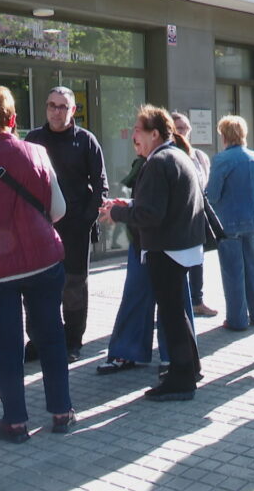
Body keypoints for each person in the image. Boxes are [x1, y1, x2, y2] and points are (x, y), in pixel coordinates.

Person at [0, 84, 75, 442]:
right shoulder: (38, 152)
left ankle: (16, 421)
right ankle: (62, 411)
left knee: (6, 344)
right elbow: (59, 210)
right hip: (43, 259)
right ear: (13, 119)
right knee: (52, 335)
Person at [99, 105, 205, 401]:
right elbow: (159, 205)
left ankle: (182, 379)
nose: (133, 135)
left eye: (138, 129)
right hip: (178, 247)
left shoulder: (159, 161)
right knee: (176, 313)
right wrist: (128, 207)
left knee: (172, 316)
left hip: (167, 249)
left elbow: (152, 214)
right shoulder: (174, 156)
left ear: (154, 133)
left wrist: (120, 213)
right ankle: (188, 369)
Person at [26, 86, 108, 362]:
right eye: (52, 105)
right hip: (39, 228)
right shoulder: (33, 139)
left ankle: (72, 341)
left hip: (75, 228)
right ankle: (39, 340)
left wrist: (86, 219)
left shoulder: (85, 141)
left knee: (73, 287)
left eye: (62, 106)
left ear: (73, 111)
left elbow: (100, 185)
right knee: (38, 286)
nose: (56, 111)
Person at [207, 115, 254, 331]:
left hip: (228, 222)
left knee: (233, 270)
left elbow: (212, 194)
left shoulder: (221, 160)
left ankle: (237, 319)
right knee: (253, 266)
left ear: (224, 135)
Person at [171, 111, 217, 318]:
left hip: (196, 214)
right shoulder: (167, 155)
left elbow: (203, 184)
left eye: (186, 128)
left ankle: (197, 300)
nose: (184, 132)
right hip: (175, 219)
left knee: (197, 260)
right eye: (179, 128)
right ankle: (175, 305)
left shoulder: (199, 156)